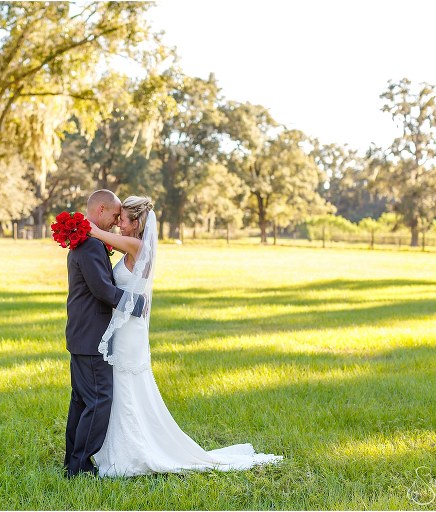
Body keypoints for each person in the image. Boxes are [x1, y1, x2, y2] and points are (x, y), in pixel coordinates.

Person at [86, 195, 284, 477]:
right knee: (124, 384)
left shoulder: (136, 245)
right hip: (129, 326)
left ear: (136, 223)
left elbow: (94, 231)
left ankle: (132, 453)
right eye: (117, 219)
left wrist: (75, 223)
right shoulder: (133, 244)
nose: (118, 224)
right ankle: (122, 446)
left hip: (130, 330)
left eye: (122, 219)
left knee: (126, 384)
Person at [63, 189, 145, 478]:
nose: (115, 221)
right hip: (91, 335)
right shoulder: (90, 244)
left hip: (82, 333)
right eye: (113, 215)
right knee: (99, 400)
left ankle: (72, 463)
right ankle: (80, 467)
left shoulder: (86, 240)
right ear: (100, 211)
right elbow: (101, 289)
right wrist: (138, 305)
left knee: (82, 401)